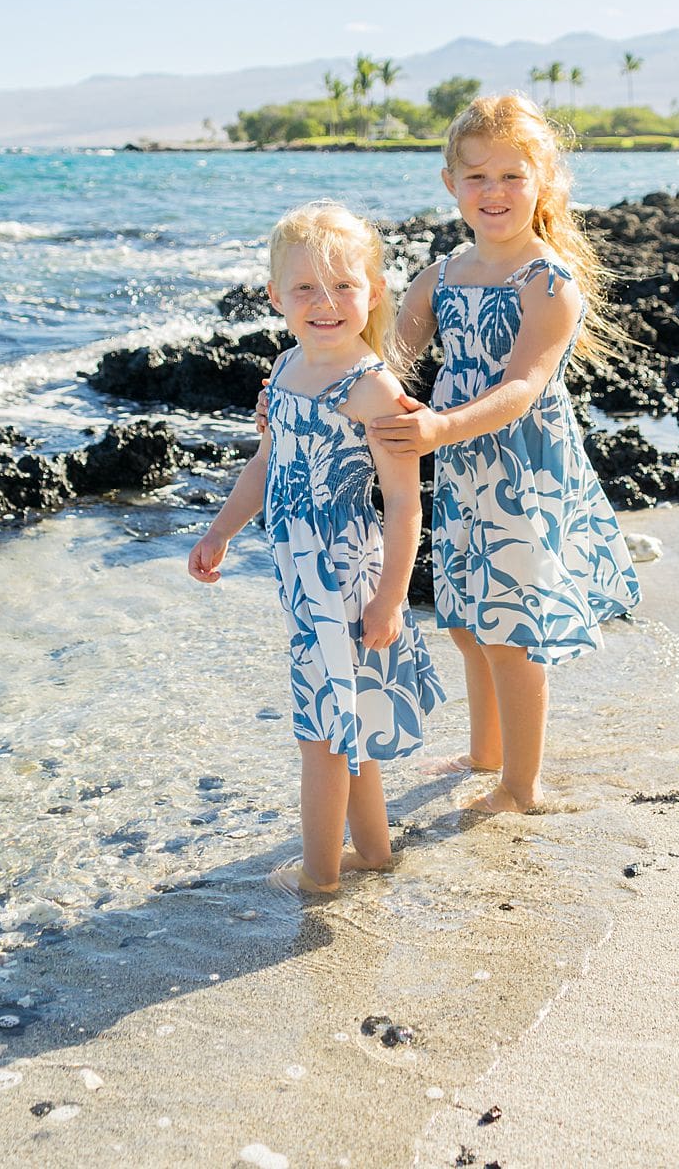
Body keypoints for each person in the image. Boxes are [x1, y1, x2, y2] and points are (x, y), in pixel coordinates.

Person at [366, 94, 640, 815]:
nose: (494, 192)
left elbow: (522, 387)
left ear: (544, 181)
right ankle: (485, 751)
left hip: (521, 474)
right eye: (477, 177)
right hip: (462, 474)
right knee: (463, 618)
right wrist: (315, 392)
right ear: (449, 184)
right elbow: (387, 358)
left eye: (512, 177)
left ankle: (521, 786)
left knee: (512, 632)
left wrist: (435, 430)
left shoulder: (548, 283)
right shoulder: (445, 274)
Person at [188, 202, 444, 894]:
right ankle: (374, 853)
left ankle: (319, 880)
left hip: (347, 581)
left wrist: (391, 597)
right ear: (275, 296)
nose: (325, 304)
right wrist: (220, 531)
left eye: (343, 287)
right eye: (304, 288)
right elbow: (265, 465)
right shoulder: (286, 367)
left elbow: (404, 502)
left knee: (321, 734)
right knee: (344, 717)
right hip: (301, 578)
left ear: (374, 293)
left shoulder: (371, 389)